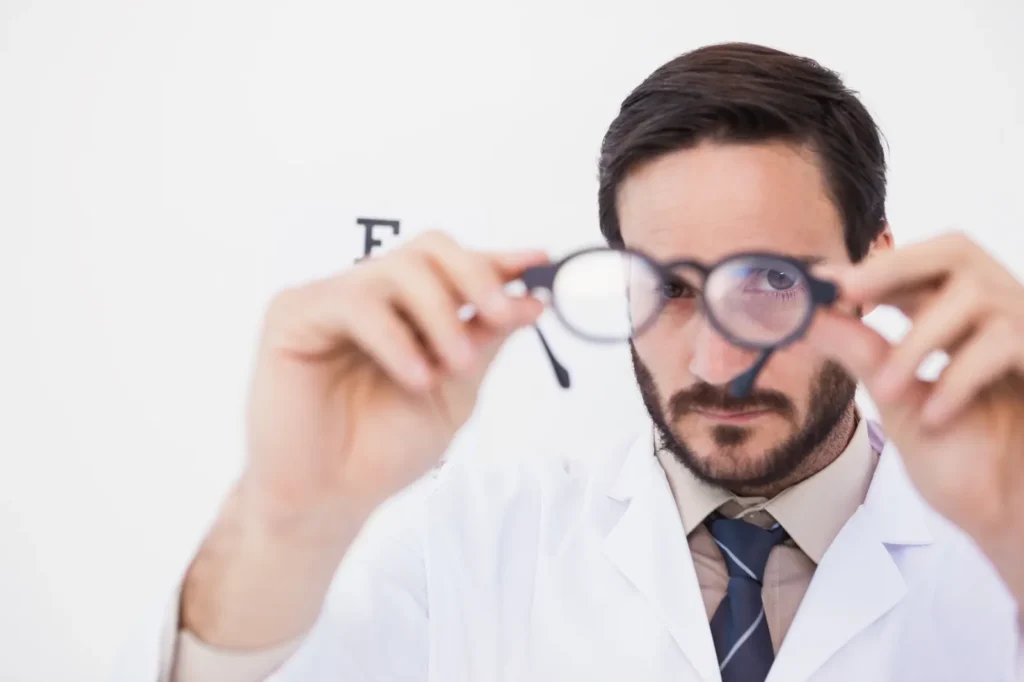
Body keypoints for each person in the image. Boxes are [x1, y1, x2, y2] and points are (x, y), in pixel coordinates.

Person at [119, 42, 1024, 682]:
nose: (714, 361)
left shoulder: (998, 554)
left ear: (875, 271)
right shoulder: (468, 546)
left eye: (770, 282)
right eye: (666, 287)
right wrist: (284, 519)